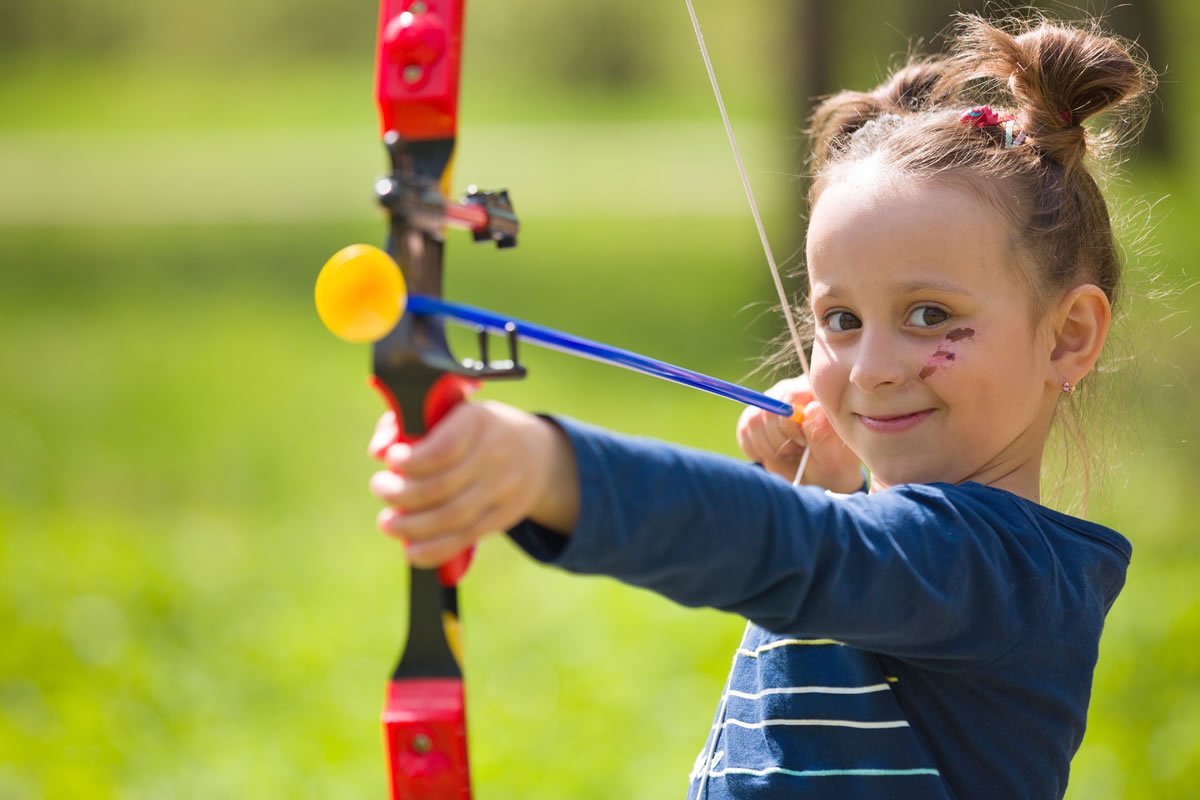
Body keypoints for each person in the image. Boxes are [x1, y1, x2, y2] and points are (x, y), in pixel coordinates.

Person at [366, 13, 1154, 800]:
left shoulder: (1008, 576)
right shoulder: (892, 559)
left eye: (929, 316)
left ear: (1067, 336)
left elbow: (795, 551)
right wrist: (836, 485)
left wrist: (546, 469)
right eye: (840, 321)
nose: (871, 370)